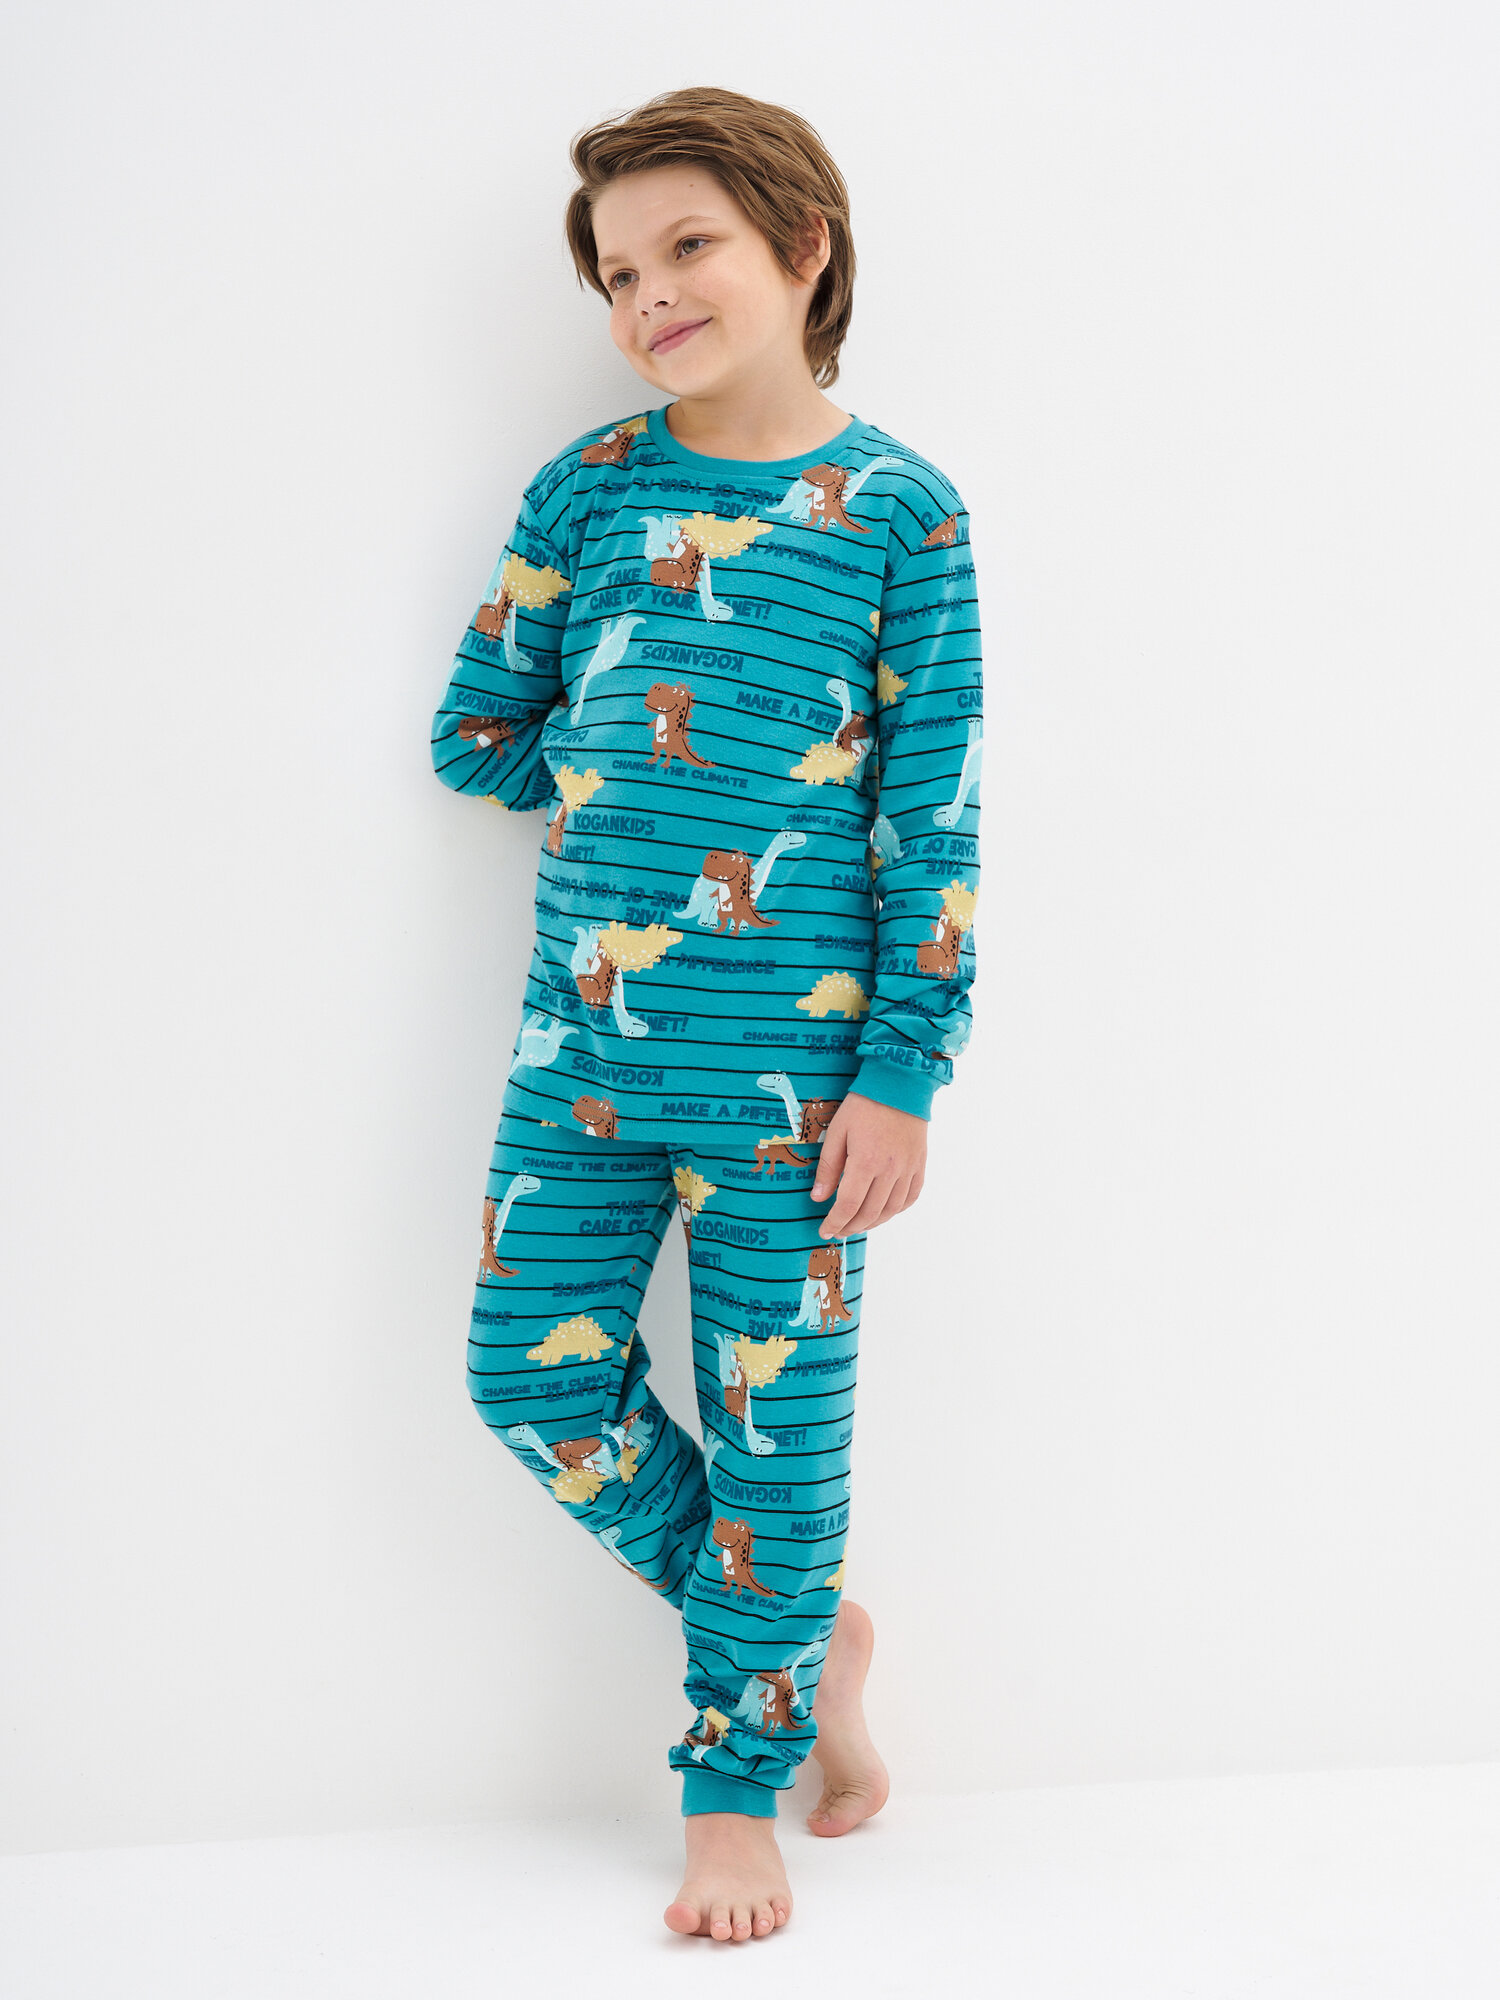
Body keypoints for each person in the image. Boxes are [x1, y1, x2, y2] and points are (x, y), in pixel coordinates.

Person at [430, 84, 983, 1944]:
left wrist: (903, 1075)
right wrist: (622, 788)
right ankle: (804, 1639)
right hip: (578, 1061)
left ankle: (734, 1790)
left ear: (802, 248)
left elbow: (932, 824)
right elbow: (474, 732)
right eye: (616, 272)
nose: (649, 293)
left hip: (798, 1095)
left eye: (688, 247)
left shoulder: (900, 514)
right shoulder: (588, 489)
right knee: (530, 1379)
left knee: (778, 1442)